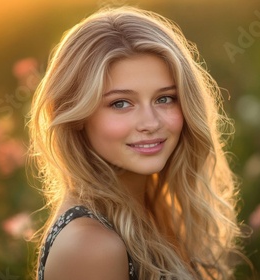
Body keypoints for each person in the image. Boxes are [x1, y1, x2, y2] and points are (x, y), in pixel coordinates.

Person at [28, 6, 243, 280]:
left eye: (164, 98)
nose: (151, 122)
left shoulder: (154, 213)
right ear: (76, 115)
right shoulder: (91, 247)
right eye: (120, 103)